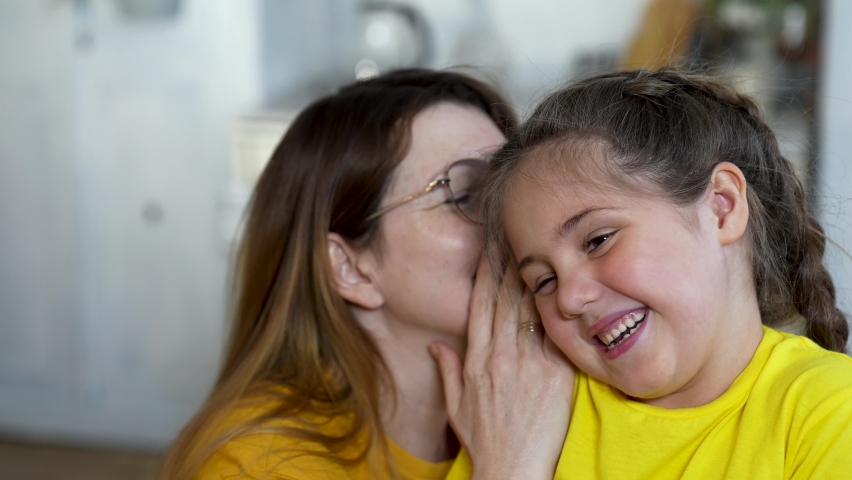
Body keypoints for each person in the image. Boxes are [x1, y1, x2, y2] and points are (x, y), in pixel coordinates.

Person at [158, 68, 575, 480]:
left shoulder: (542, 399)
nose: (513, 222)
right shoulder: (255, 466)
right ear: (350, 268)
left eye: (510, 188)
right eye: (466, 194)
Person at [440, 68, 852, 479]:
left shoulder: (829, 411)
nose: (568, 298)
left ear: (722, 208)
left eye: (598, 240)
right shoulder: (530, 412)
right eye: (543, 282)